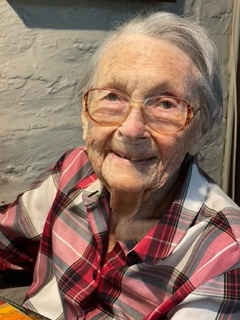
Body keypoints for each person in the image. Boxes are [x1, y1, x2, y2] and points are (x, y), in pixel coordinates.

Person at [0, 11, 240, 320]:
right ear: (85, 115)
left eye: (166, 104)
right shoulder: (74, 170)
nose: (131, 129)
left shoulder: (225, 255)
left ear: (201, 130)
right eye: (113, 96)